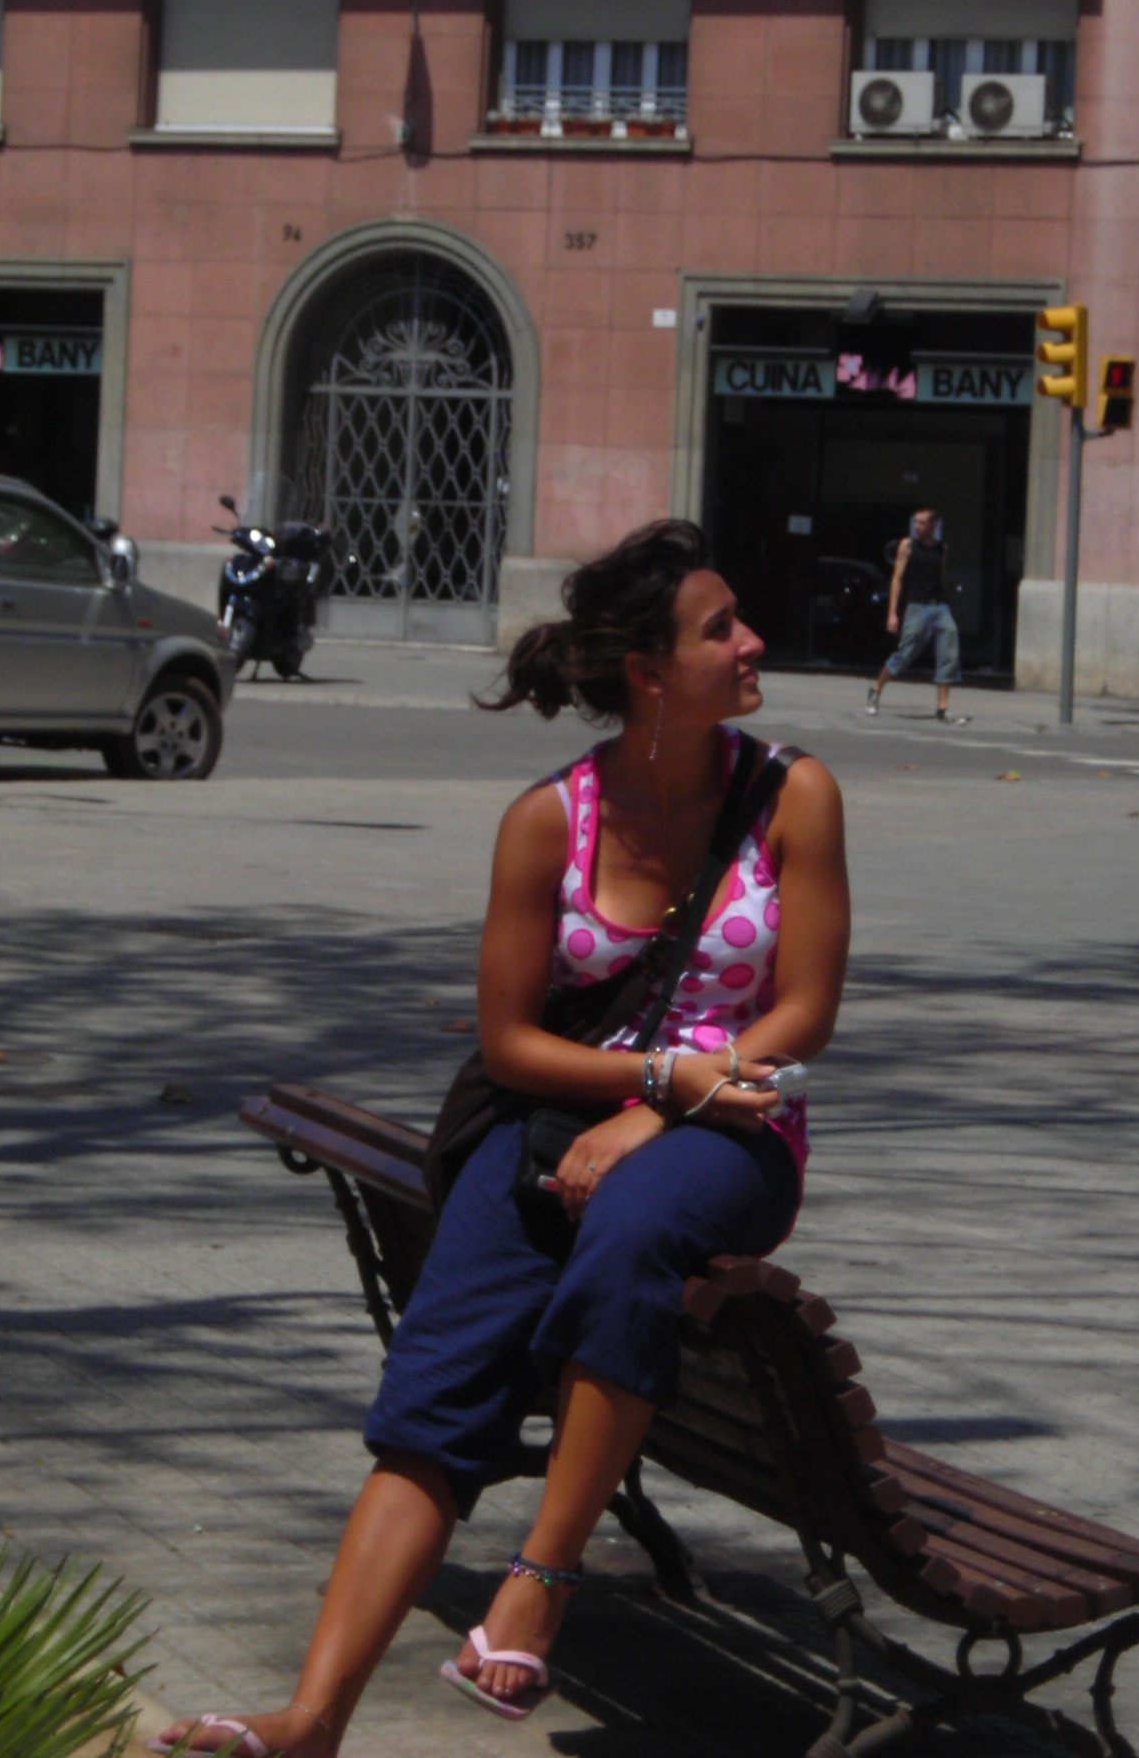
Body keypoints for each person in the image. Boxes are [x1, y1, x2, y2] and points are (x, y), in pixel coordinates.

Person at [152, 519, 850, 1754]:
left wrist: (663, 1105)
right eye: (719, 627)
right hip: (549, 1125)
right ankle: (311, 1720)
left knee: (636, 1218)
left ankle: (541, 1576)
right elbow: (513, 1042)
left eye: (739, 619)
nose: (752, 643)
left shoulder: (794, 793)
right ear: (646, 669)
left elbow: (804, 1014)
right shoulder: (550, 820)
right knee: (431, 1404)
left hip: (735, 1132)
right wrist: (640, 1075)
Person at [866, 506, 969, 724]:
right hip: (917, 607)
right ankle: (876, 689)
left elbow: (941, 577)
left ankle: (942, 709)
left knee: (949, 654)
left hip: (940, 607)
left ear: (933, 525)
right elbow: (897, 579)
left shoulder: (942, 549)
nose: (917, 527)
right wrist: (892, 613)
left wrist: (949, 602)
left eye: (922, 523)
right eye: (916, 523)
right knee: (905, 654)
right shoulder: (908, 546)